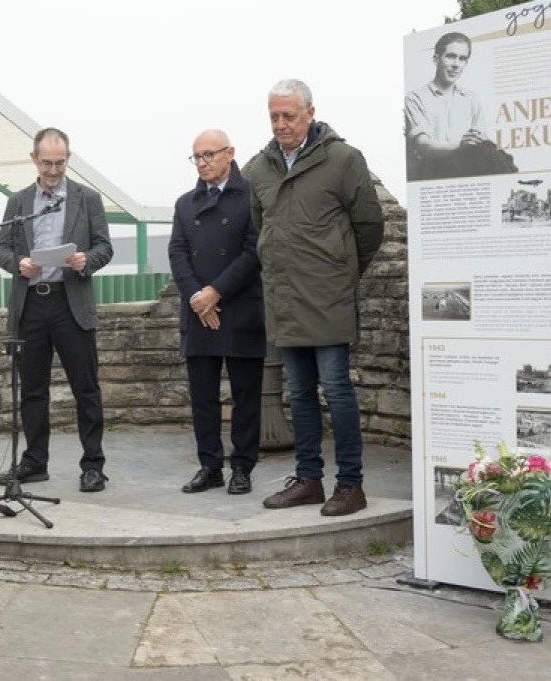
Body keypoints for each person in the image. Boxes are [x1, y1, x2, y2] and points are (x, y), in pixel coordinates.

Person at [242, 78, 384, 517]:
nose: (280, 124)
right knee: (299, 392)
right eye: (274, 116)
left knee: (337, 391)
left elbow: (370, 227)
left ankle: (350, 485)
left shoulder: (343, 160)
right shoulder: (258, 168)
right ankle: (308, 480)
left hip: (328, 297)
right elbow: (259, 227)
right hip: (285, 298)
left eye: (288, 115)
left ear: (310, 112)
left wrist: (341, 275)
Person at [0, 128, 113, 492]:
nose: (53, 170)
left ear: (68, 159)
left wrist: (84, 261)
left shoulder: (87, 199)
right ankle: (34, 462)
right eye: (47, 162)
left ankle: (93, 465)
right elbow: (0, 249)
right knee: (32, 389)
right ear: (34, 159)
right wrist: (19, 264)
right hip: (31, 303)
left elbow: (104, 247)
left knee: (86, 388)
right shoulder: (18, 202)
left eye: (60, 162)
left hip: (69, 301)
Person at [168, 129, 266, 495]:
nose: (203, 162)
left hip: (240, 308)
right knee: (203, 397)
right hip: (198, 312)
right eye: (197, 156)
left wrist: (216, 291)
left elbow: (254, 250)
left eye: (210, 155)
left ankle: (242, 467)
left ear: (230, 154)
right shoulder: (185, 203)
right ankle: (209, 466)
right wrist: (197, 296)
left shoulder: (253, 196)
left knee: (246, 396)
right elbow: (177, 253)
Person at [404, 31, 516, 180]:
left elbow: (481, 142)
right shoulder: (415, 98)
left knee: (499, 157)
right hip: (435, 172)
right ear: (436, 59)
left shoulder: (471, 98)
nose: (456, 64)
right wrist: (460, 146)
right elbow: (424, 146)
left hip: (469, 170)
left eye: (462, 59)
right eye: (450, 56)